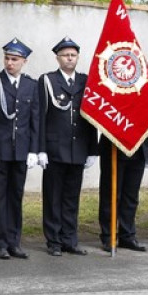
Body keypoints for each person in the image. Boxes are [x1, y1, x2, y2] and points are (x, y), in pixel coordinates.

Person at [37, 37, 98, 256]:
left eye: (73, 55)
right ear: (57, 58)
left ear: (78, 57)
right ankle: (53, 241)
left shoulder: (86, 81)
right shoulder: (47, 80)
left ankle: (70, 240)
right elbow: (40, 117)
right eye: (65, 55)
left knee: (72, 198)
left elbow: (92, 118)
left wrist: (93, 149)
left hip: (78, 149)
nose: (69, 58)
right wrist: (40, 148)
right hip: (54, 149)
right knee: (53, 197)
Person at [0, 38, 39, 259]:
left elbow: (35, 120)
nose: (9, 63)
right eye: (7, 58)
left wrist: (34, 150)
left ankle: (14, 241)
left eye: (14, 59)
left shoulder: (30, 85)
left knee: (16, 196)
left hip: (21, 151)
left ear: (24, 61)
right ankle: (0, 243)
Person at [98, 136, 148, 252]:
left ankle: (127, 235)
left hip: (138, 147)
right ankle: (108, 236)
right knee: (110, 196)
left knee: (131, 197)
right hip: (114, 147)